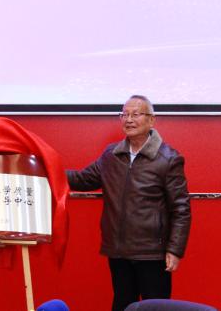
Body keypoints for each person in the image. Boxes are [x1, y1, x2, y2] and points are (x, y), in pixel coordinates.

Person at [67, 95, 191, 311]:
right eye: (124, 114)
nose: (129, 119)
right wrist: (47, 171)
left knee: (155, 307)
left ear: (151, 120)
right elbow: (83, 179)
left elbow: (181, 208)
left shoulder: (168, 158)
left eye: (136, 114)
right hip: (118, 250)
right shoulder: (111, 155)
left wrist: (175, 249)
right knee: (122, 305)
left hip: (152, 252)